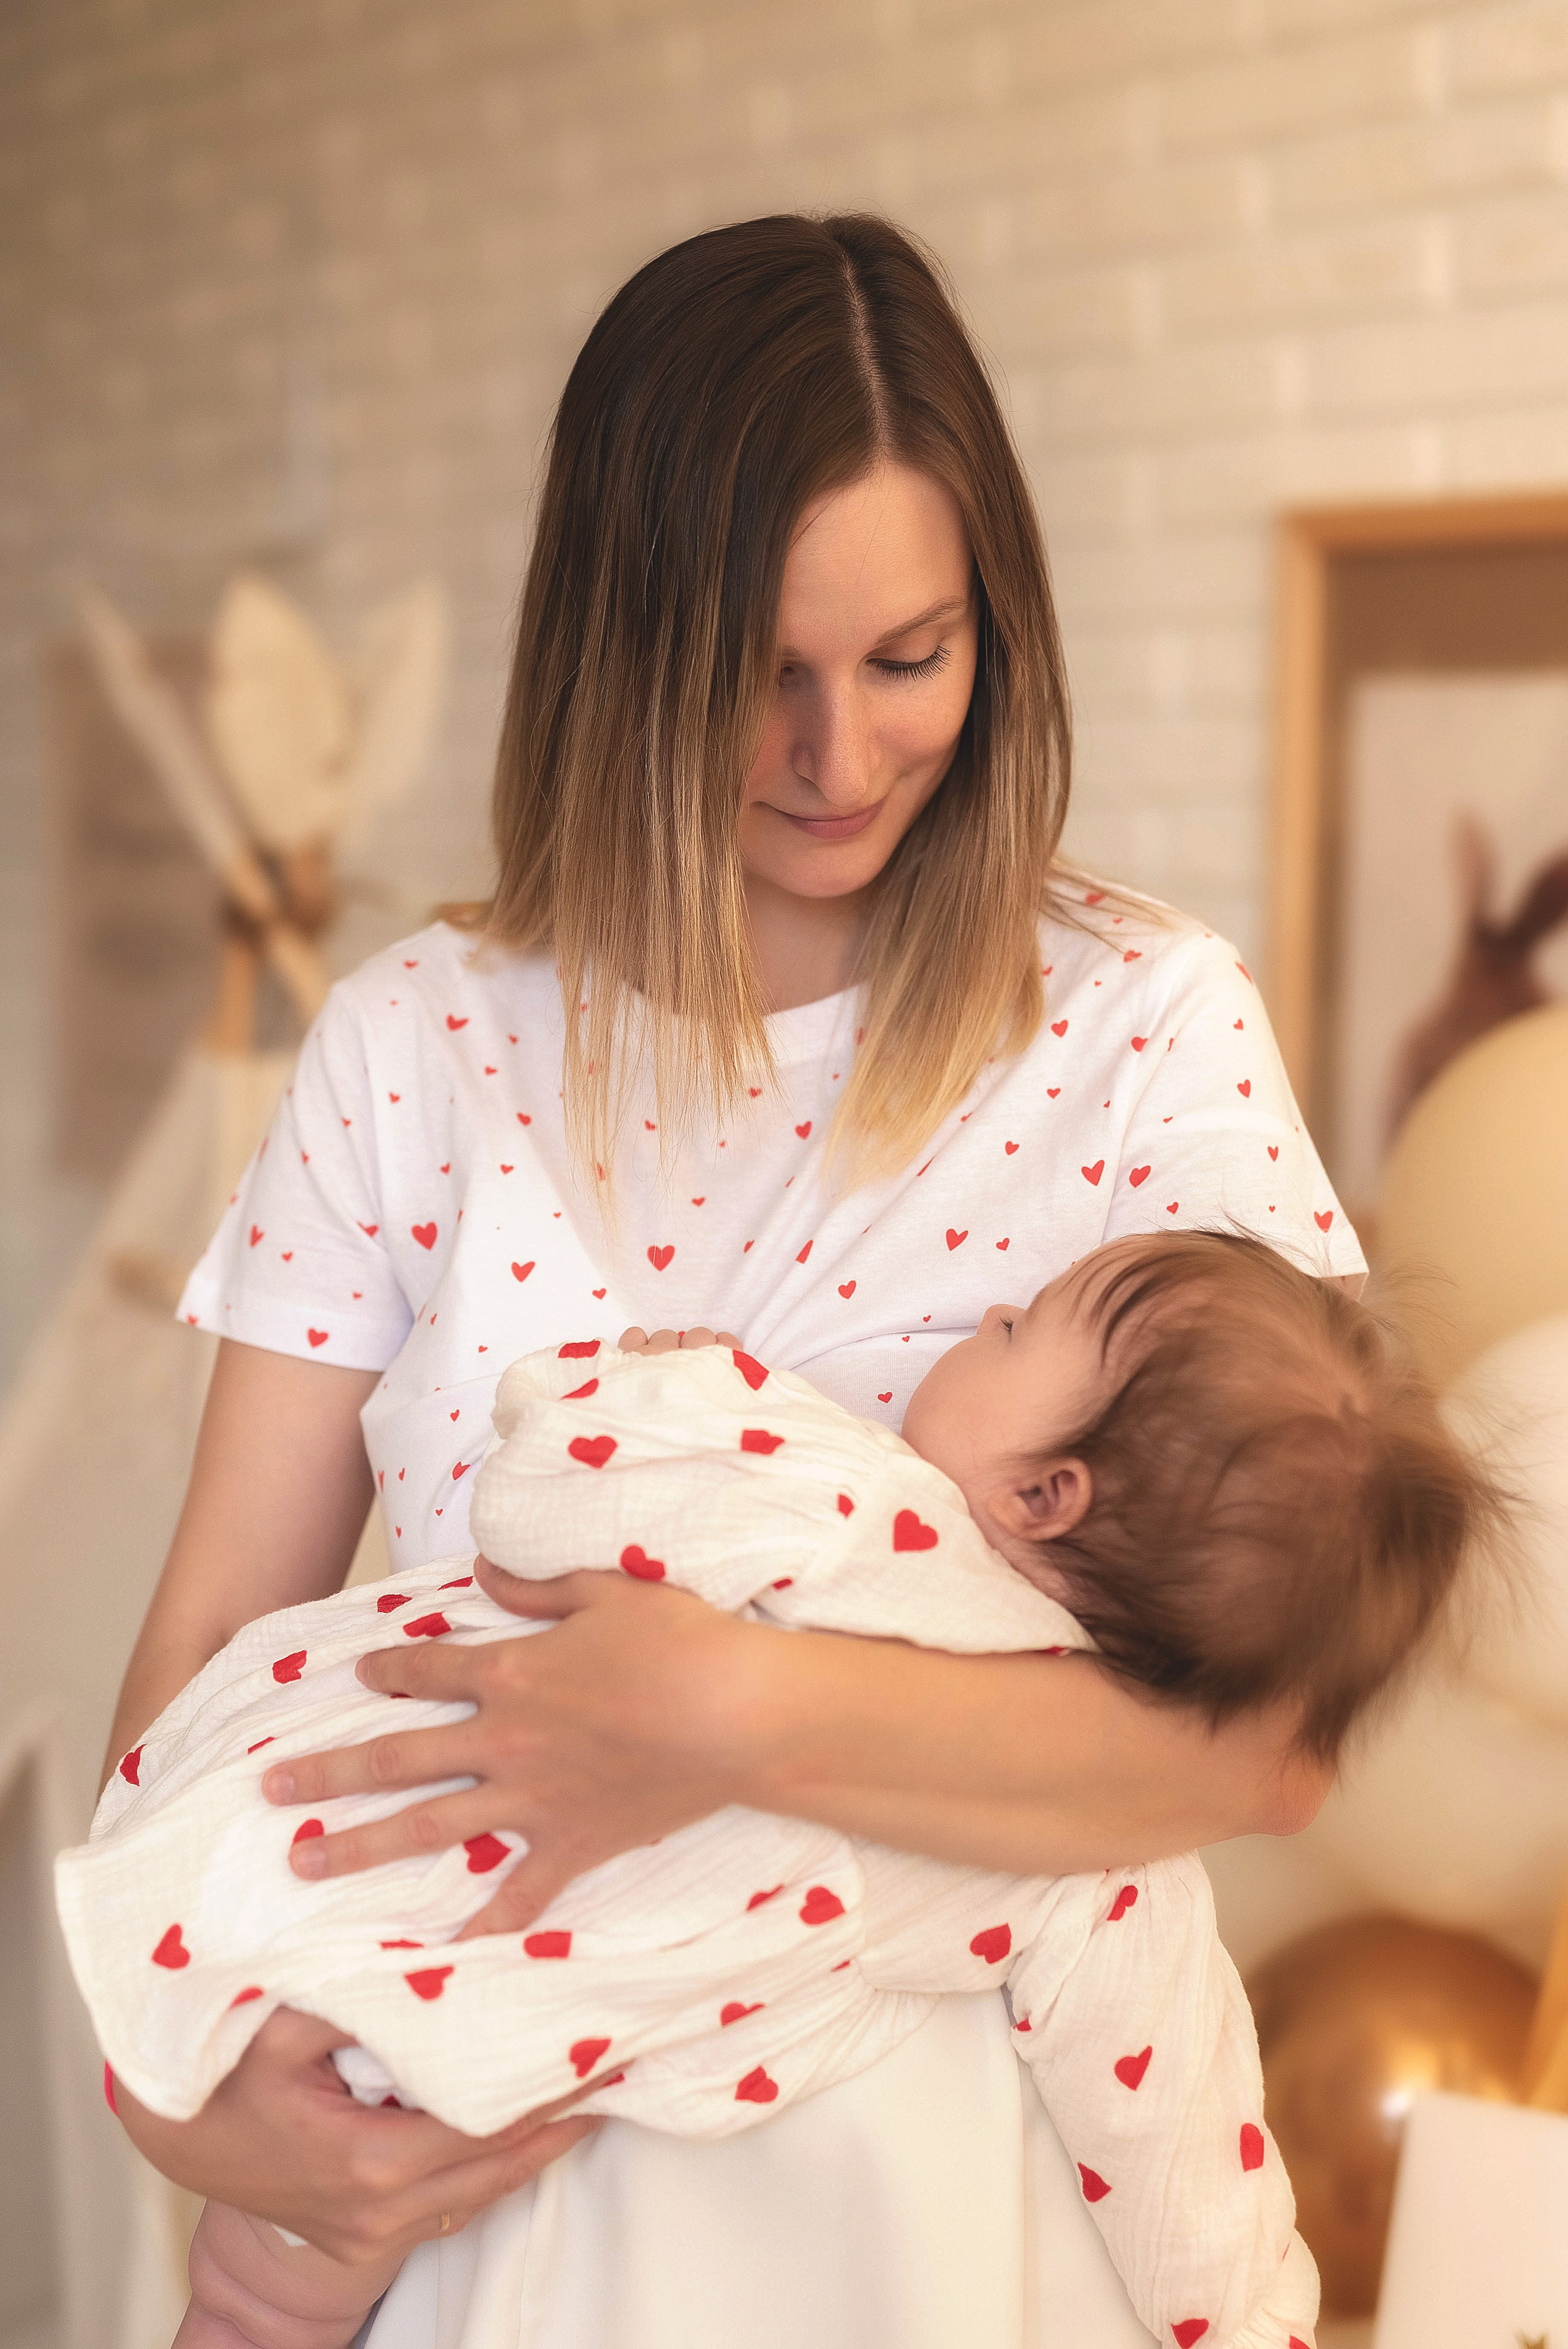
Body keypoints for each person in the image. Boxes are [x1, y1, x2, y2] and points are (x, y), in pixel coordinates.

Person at [103, 214, 1366, 2349]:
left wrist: (714, 1716)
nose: (838, 758)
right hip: (484, 2225)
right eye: (757, 673)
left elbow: (1271, 1749)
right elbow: (211, 1647)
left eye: (909, 659)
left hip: (970, 2244)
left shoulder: (1145, 1029)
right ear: (618, 646)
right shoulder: (415, 1045)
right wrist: (187, 2103)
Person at [74, 1232, 1493, 2349]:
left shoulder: (844, 1508)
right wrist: (1251, 2323)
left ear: (1042, 1495)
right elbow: (1176, 2142)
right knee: (294, 2259)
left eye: (1014, 1330)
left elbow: (542, 1502)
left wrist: (649, 1391)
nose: (982, 1319)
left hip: (401, 1928)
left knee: (273, 2271)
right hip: (564, 2077)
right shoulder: (1100, 1848)